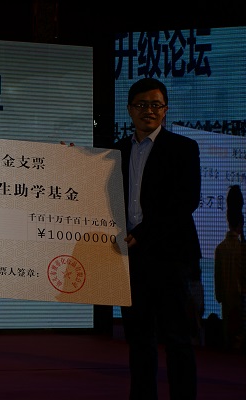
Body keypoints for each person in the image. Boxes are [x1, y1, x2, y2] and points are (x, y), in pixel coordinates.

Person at [116, 77, 201, 399]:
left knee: (177, 338)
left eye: (155, 104)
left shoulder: (184, 148)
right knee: (139, 339)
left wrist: (142, 234)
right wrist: (69, 161)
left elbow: (185, 202)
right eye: (141, 104)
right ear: (129, 109)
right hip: (129, 258)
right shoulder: (115, 152)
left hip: (170, 257)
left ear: (165, 110)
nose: (148, 110)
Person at [214, 185, 245, 352]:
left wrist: (221, 295)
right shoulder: (242, 249)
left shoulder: (220, 249)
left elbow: (218, 286)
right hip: (241, 302)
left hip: (226, 302)